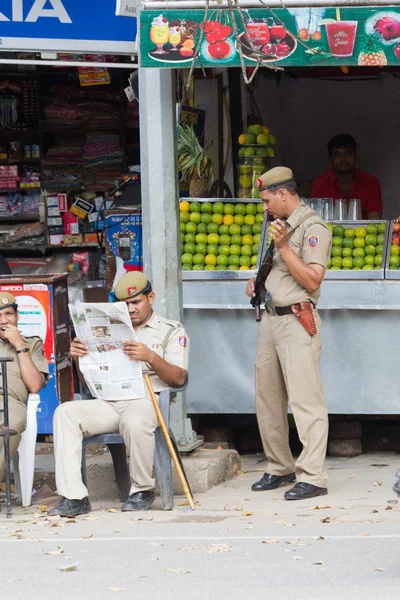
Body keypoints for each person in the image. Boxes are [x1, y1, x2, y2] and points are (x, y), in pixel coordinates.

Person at [50, 272, 189, 518]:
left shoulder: (170, 330)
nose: (131, 309)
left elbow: (179, 378)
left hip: (147, 401)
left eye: (136, 302)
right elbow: (89, 382)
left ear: (151, 298)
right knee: (65, 413)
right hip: (108, 402)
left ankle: (142, 490)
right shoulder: (104, 329)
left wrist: (151, 357)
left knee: (135, 419)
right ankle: (74, 497)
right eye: (125, 304)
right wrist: (80, 358)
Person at [246, 167, 332, 501]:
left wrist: (283, 247)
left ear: (284, 194)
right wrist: (259, 283)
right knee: (267, 399)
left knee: (305, 400)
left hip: (298, 319)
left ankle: (313, 476)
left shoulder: (313, 227)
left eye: (267, 200)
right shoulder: (279, 225)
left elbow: (312, 280)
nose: (265, 207)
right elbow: (282, 273)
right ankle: (279, 466)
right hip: (270, 318)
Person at [0, 293, 48, 486]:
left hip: (12, 402)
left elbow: (35, 385)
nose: (4, 321)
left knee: (12, 422)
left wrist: (19, 345)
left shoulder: (32, 344)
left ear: (17, 316)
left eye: (9, 314)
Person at [310, 134, 382, 220]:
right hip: (329, 233)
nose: (343, 159)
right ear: (330, 159)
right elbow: (317, 224)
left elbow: (374, 223)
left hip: (364, 233)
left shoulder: (371, 182)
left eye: (348, 153)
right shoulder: (319, 185)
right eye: (337, 155)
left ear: (355, 157)